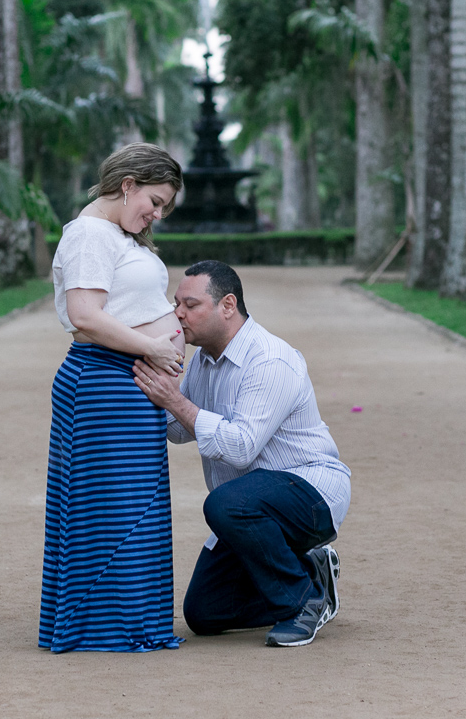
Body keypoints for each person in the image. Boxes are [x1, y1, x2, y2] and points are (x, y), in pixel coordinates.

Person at [134, 260, 351, 647]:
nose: (177, 314)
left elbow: (239, 447)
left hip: (312, 493)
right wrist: (148, 394)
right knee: (204, 613)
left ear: (228, 305)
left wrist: (174, 400)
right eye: (176, 304)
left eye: (190, 304)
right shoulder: (203, 359)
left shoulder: (269, 359)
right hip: (250, 505)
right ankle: (311, 574)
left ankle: (303, 602)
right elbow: (184, 427)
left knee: (225, 504)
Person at [39, 143, 187, 653]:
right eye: (155, 199)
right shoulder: (88, 235)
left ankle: (135, 623)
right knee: (111, 508)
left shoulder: (118, 236)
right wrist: (152, 346)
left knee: (136, 508)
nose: (156, 213)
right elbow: (84, 314)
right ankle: (103, 628)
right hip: (103, 383)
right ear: (128, 185)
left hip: (131, 384)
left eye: (164, 205)